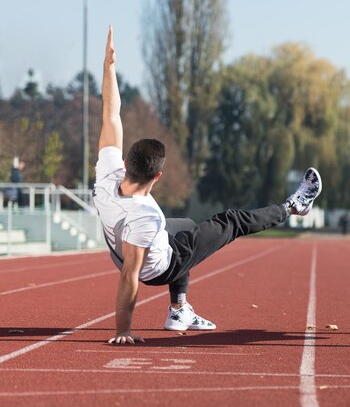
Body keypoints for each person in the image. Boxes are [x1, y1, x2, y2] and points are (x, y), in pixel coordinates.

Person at [94, 26, 322, 345]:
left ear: (126, 161)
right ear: (157, 177)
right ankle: (293, 206)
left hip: (116, 249)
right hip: (158, 269)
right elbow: (130, 277)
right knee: (230, 221)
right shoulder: (146, 215)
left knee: (186, 225)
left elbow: (111, 113)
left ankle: (179, 310)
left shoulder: (107, 173)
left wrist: (109, 67)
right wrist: (123, 330)